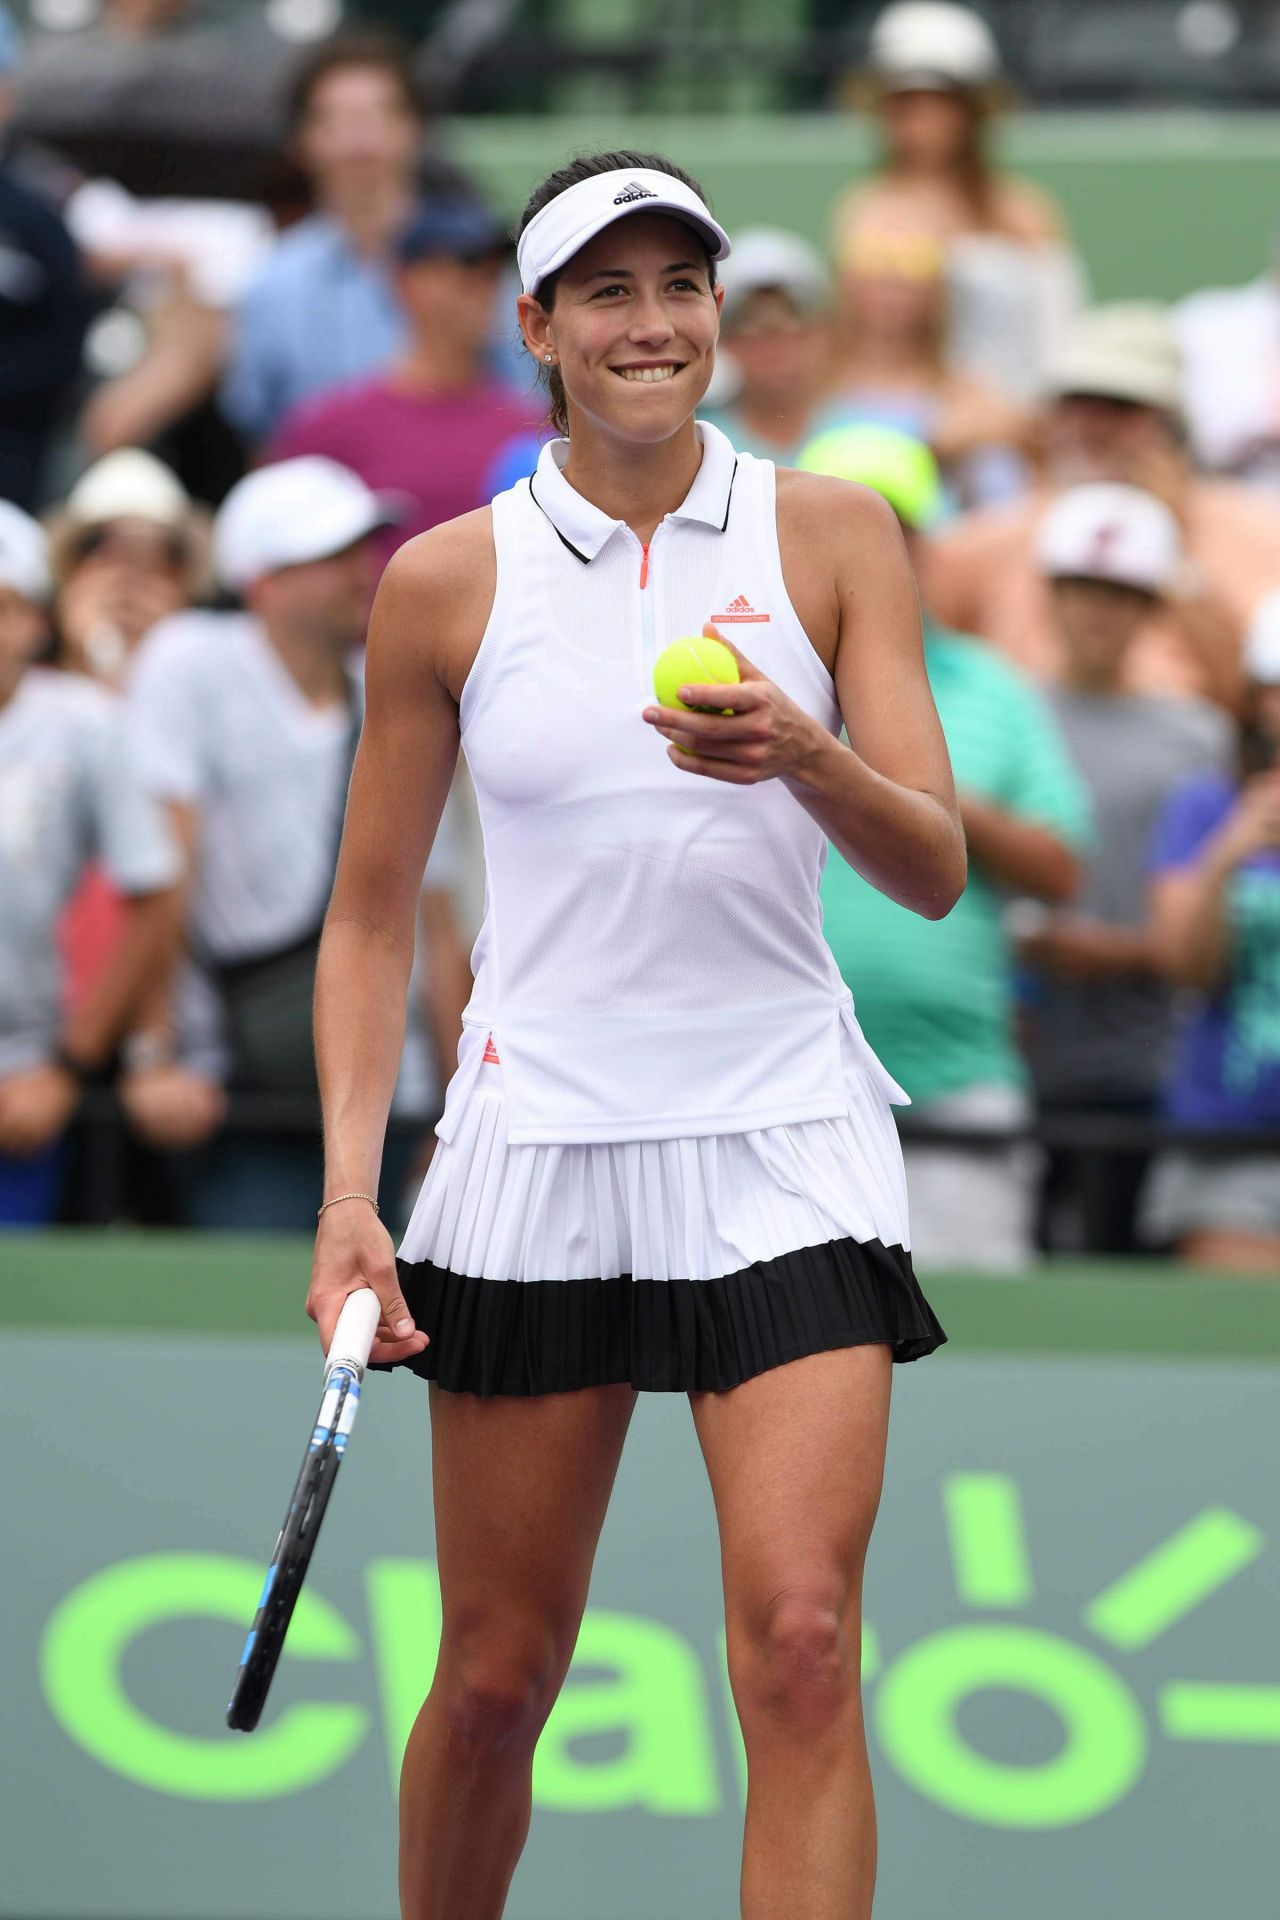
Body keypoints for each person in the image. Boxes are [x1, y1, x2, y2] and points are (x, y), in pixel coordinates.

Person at [305, 151, 963, 1919]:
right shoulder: (443, 583)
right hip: (533, 1150)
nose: (652, 324)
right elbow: (369, 917)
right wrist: (347, 1199)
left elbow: (936, 869)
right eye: (606, 291)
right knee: (498, 1677)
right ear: (537, 329)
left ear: (719, 318)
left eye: (682, 287)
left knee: (806, 1642)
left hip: (783, 1132)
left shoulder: (834, 535)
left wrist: (809, 758)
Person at [120, 456, 472, 1236]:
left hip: (395, 1102)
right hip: (239, 1095)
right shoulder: (189, 660)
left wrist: (461, 1109)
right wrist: (155, 1055)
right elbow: (158, 875)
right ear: (261, 581)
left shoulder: (394, 688)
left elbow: (436, 917)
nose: (362, 573)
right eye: (332, 556)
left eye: (363, 551)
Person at [798, 422, 1091, 1272]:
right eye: (834, 523)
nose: (858, 548)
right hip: (781, 1087)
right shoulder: (742, 671)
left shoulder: (994, 690)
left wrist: (912, 798)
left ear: (924, 547)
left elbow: (1062, 866)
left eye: (892, 529)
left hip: (959, 1088)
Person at [1016, 484, 1233, 1254]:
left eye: (1122, 593)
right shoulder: (1010, 712)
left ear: (1152, 610)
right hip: (1021, 1053)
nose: (1098, 611)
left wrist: (1129, 952)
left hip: (1147, 1058)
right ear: (1051, 594)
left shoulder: (1197, 737)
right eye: (1081, 588)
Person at [927, 302, 1280, 708]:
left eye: (1119, 408)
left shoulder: (1252, 531)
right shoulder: (997, 536)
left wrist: (1169, 550)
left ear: (1171, 427)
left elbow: (1253, 698)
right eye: (1075, 405)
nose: (1091, 427)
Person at [0, 499, 180, 1225]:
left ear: (33, 620)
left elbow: (155, 898)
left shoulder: (84, 723)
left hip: (22, 1080)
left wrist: (66, 1070)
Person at [221, 31, 469, 448]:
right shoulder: (268, 282)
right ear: (302, 141)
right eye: (335, 119)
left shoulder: (476, 264)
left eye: (377, 114)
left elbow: (515, 406)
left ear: (415, 129)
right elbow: (260, 434)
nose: (360, 137)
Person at [268, 197, 542, 569]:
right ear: (406, 282)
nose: (485, 289)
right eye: (465, 270)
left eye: (493, 274)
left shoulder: (537, 425)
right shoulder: (326, 427)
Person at [833, 1, 1085, 405]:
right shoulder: (865, 208)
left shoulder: (1024, 210)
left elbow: (1058, 335)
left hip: (1019, 424)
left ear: (970, 110)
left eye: (938, 100)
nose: (920, 119)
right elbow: (855, 343)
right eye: (904, 101)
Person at [1141, 599, 1280, 1272]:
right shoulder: (1207, 804)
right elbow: (1185, 966)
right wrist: (1230, 851)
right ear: (1256, 698)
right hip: (1228, 1145)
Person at [827, 219, 1033, 508]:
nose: (891, 287)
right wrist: (928, 446)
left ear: (937, 292)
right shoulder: (811, 381)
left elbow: (1029, 446)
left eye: (911, 268)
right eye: (874, 267)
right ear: (847, 284)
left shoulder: (967, 393)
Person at [700, 226, 836, 462]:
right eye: (750, 326)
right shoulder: (699, 444)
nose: (772, 347)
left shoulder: (871, 431)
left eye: (791, 321)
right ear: (725, 340)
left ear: (820, 332)